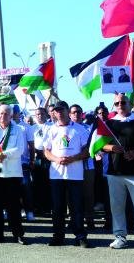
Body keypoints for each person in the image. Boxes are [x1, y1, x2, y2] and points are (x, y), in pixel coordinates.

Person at [101, 93, 134, 251]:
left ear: (130, 104)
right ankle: (120, 237)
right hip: (115, 172)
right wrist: (112, 148)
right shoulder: (108, 123)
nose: (120, 105)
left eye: (123, 102)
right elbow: (100, 145)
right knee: (116, 207)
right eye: (117, 103)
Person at [44, 102, 91, 247]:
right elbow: (46, 152)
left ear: (67, 111)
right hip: (56, 175)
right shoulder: (51, 129)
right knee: (57, 207)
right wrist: (57, 159)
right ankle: (58, 236)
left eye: (61, 110)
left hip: (75, 175)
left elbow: (87, 151)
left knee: (77, 207)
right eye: (56, 111)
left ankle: (80, 236)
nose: (59, 113)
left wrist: (73, 158)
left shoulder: (79, 129)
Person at [0, 105, 27, 244]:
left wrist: (5, 154)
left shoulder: (18, 130)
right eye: (1, 113)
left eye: (6, 114)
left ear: (11, 115)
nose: (3, 116)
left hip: (13, 174)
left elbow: (20, 149)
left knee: (13, 207)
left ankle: (18, 234)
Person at [69, 104, 96, 229]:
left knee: (88, 194)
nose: (76, 114)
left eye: (79, 112)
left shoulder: (88, 128)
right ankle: (73, 218)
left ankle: (89, 219)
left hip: (87, 165)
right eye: (74, 112)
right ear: (69, 114)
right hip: (72, 165)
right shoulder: (66, 128)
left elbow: (93, 145)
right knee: (72, 194)